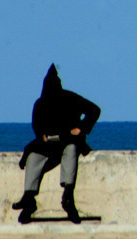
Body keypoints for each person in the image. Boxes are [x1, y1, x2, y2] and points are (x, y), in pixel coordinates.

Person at [12, 63, 100, 224]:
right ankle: (29, 200)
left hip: (69, 140)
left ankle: (68, 197)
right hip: (49, 144)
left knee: (71, 150)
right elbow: (36, 126)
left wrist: (81, 128)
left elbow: (94, 110)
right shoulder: (40, 103)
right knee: (33, 157)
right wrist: (42, 136)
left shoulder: (70, 98)